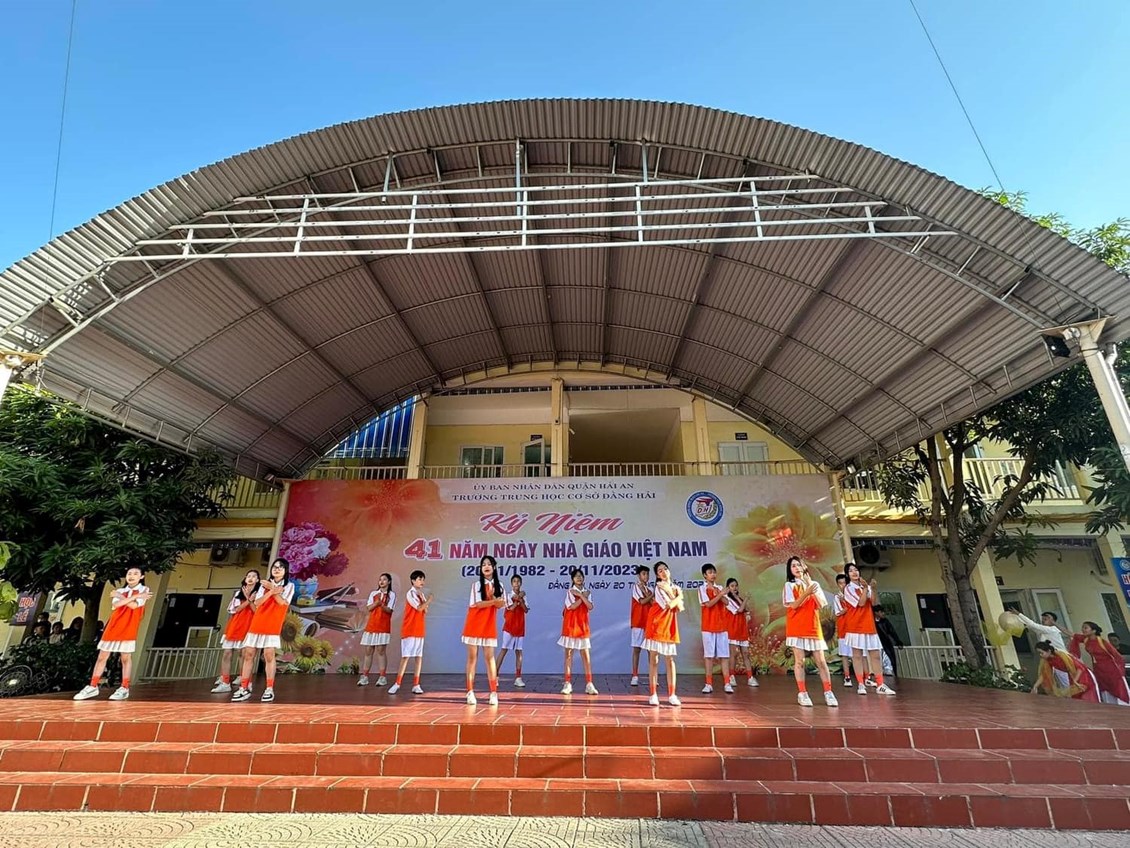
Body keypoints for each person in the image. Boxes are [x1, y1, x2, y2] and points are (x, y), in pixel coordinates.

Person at [73, 567, 151, 701]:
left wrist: (126, 597)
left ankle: (124, 687)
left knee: (125, 658)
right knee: (102, 656)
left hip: (129, 626)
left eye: (135, 573)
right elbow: (118, 604)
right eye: (129, 573)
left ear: (142, 577)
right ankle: (93, 685)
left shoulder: (144, 589)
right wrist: (133, 597)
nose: (131, 576)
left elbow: (134, 606)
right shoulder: (121, 591)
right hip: (113, 626)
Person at [232, 557, 294, 703]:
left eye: (280, 567)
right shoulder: (263, 584)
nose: (277, 569)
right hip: (258, 621)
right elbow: (258, 602)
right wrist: (271, 591)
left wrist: (272, 589)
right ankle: (244, 687)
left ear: (285, 571)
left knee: (268, 655)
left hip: (272, 623)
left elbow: (282, 602)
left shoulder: (289, 585)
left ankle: (269, 688)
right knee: (249, 654)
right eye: (275, 567)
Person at [782, 556, 837, 708]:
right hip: (796, 626)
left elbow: (821, 604)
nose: (796, 568)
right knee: (800, 661)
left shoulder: (814, 584)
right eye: (793, 566)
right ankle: (802, 693)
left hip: (813, 626)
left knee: (821, 661)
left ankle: (828, 692)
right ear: (790, 570)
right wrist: (806, 592)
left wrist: (809, 586)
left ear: (804, 567)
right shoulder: (789, 585)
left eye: (798, 565)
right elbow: (793, 605)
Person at [843, 562, 895, 695]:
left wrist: (874, 589)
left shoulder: (864, 586)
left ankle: (880, 684)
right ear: (847, 575)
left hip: (868, 624)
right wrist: (866, 588)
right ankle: (861, 683)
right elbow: (860, 603)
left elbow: (874, 602)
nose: (854, 572)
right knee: (857, 656)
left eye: (856, 570)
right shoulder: (848, 589)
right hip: (855, 626)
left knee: (875, 655)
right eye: (851, 571)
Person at [461, 555, 505, 706]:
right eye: (483, 564)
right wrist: (493, 601)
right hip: (474, 624)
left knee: (489, 658)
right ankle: (470, 691)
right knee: (472, 658)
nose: (486, 566)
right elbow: (478, 604)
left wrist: (497, 601)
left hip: (488, 625)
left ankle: (493, 692)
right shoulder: (476, 585)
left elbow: (502, 604)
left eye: (489, 564)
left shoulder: (500, 586)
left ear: (494, 567)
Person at [641, 561, 683, 707]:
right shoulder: (658, 587)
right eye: (660, 571)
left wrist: (675, 595)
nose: (664, 572)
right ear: (657, 575)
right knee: (654, 659)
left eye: (665, 569)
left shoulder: (675, 587)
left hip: (669, 625)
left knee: (670, 660)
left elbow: (680, 608)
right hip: (656, 624)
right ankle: (653, 694)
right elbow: (669, 604)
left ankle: (672, 694)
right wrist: (678, 596)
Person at [211, 570, 261, 694]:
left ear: (258, 580)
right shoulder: (239, 593)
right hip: (235, 625)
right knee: (227, 653)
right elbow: (236, 609)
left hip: (248, 626)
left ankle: (244, 680)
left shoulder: (259, 594)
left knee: (244, 654)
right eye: (249, 576)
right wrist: (248, 599)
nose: (251, 578)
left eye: (254, 576)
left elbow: (257, 612)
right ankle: (225, 681)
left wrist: (250, 600)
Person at [389, 570, 431, 695]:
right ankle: (397, 683)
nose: (422, 582)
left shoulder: (421, 594)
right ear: (413, 581)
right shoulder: (410, 593)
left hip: (419, 629)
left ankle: (416, 684)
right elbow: (419, 608)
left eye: (423, 579)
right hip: (410, 629)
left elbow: (425, 610)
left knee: (418, 657)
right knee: (406, 657)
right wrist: (429, 600)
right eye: (419, 579)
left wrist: (425, 600)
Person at [1069, 622, 1130, 706]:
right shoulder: (1086, 640)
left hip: (1111, 670)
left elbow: (1118, 657)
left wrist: (1121, 673)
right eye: (1083, 628)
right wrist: (1054, 623)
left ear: (1093, 631)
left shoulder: (1103, 642)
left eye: (1085, 628)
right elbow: (1072, 634)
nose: (1083, 630)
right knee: (1105, 691)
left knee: (1117, 690)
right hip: (1098, 670)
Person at [559, 568, 598, 695]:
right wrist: (582, 596)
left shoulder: (587, 592)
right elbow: (572, 606)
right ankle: (567, 683)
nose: (579, 578)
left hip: (582, 627)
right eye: (576, 576)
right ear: (572, 579)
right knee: (568, 655)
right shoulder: (570, 592)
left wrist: (582, 595)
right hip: (571, 626)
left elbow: (590, 606)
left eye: (580, 576)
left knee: (585, 655)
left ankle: (589, 684)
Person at [698, 563, 732, 694]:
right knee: (709, 656)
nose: (713, 575)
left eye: (714, 572)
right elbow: (708, 604)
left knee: (724, 656)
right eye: (710, 572)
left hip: (722, 626)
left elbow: (727, 602)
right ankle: (708, 684)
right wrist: (720, 594)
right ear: (704, 575)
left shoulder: (720, 587)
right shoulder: (702, 589)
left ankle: (727, 683)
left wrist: (721, 593)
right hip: (708, 627)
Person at [358, 573, 396, 687]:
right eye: (380, 580)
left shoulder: (391, 595)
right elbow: (369, 608)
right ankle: (364, 677)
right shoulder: (374, 593)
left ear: (389, 582)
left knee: (381, 651)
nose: (381, 581)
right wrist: (376, 603)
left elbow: (389, 610)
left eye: (384, 579)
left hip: (383, 625)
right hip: (372, 625)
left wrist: (382, 605)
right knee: (368, 651)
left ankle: (382, 677)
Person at [1032, 640, 1099, 702]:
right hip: (1073, 677)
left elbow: (1080, 668)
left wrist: (1075, 680)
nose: (1040, 655)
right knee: (1077, 699)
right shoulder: (1048, 661)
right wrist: (1035, 686)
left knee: (1089, 698)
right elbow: (1044, 674)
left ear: (1049, 651)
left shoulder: (1062, 656)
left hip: (1084, 675)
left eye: (1041, 653)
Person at [723, 578, 757, 688]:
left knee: (746, 653)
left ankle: (750, 677)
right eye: (732, 586)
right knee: (733, 654)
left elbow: (746, 609)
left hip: (742, 629)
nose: (735, 588)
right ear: (728, 588)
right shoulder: (727, 599)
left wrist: (740, 598)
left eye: (736, 586)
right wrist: (746, 598)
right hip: (733, 629)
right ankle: (731, 676)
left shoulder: (738, 599)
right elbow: (740, 610)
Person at [496, 574, 529, 688]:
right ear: (511, 584)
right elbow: (511, 607)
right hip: (509, 627)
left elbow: (525, 609)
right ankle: (495, 676)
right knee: (504, 650)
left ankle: (518, 678)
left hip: (520, 627)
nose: (516, 583)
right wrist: (518, 598)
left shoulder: (523, 596)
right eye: (514, 581)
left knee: (519, 652)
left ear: (521, 583)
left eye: (518, 581)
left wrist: (521, 599)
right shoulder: (508, 595)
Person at [629, 565, 653, 687]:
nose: (646, 576)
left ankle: (652, 676)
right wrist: (651, 595)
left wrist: (650, 594)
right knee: (637, 649)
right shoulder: (636, 587)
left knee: (651, 650)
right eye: (643, 574)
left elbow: (653, 603)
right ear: (639, 576)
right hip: (638, 622)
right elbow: (642, 601)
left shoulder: (650, 589)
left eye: (647, 574)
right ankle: (635, 676)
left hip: (649, 622)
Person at [832, 574, 854, 688]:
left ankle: (865, 678)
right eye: (840, 583)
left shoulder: (853, 595)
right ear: (837, 584)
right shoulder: (837, 597)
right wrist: (847, 605)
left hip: (855, 629)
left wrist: (847, 603)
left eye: (845, 583)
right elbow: (840, 612)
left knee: (858, 655)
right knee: (845, 655)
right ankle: (847, 677)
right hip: (844, 629)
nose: (843, 585)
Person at [873, 605, 903, 678]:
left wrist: (898, 641)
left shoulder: (885, 621)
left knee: (888, 659)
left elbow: (892, 631)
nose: (883, 613)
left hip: (885, 644)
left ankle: (888, 672)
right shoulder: (873, 622)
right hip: (877, 644)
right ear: (876, 612)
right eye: (881, 612)